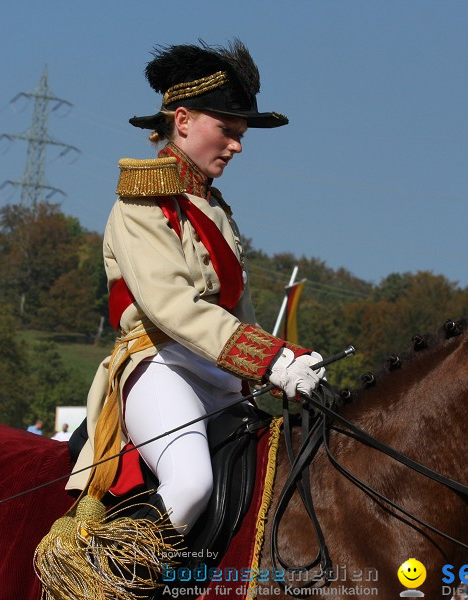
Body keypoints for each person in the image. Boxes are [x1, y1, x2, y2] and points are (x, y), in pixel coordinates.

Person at [42, 39, 324, 599]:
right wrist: (273, 359)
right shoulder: (141, 203)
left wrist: (281, 366)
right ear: (184, 119)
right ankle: (97, 587)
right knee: (191, 483)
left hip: (218, 376)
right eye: (230, 127)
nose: (239, 145)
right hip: (160, 365)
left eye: (242, 132)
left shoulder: (215, 209)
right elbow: (174, 311)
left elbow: (233, 313)